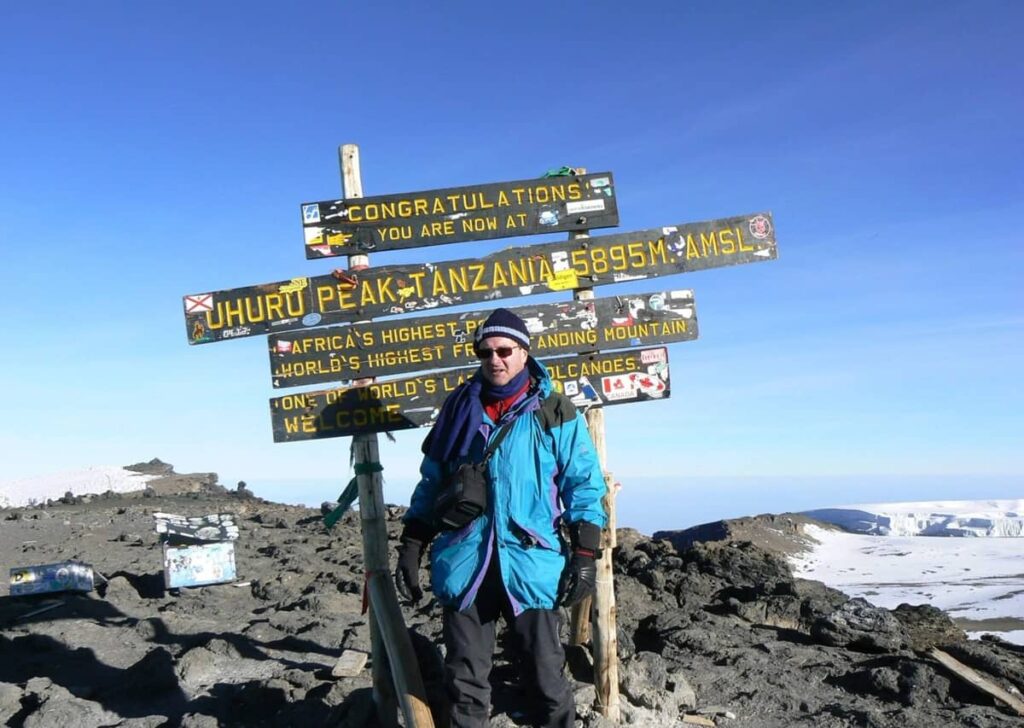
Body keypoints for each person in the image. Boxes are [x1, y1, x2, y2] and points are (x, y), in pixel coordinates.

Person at [394, 307, 607, 728]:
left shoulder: (554, 410)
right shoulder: (458, 409)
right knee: (464, 683)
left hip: (529, 565)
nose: (495, 359)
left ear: (524, 352)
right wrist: (412, 544)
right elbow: (432, 482)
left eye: (505, 349)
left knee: (547, 677)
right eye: (486, 351)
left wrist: (585, 553)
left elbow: (584, 483)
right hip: (466, 563)